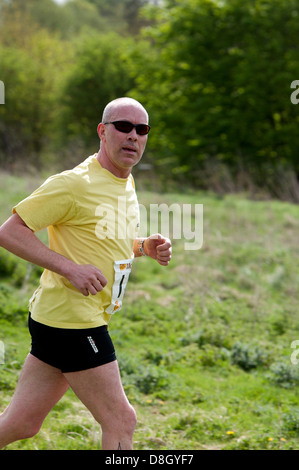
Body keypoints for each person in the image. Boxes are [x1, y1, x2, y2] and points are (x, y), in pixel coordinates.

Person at [0, 97, 172, 450]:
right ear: (102, 131)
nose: (133, 136)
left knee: (22, 424)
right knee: (121, 420)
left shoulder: (126, 181)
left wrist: (142, 247)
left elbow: (103, 239)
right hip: (74, 322)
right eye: (123, 126)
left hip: (60, 317)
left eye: (142, 130)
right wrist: (69, 268)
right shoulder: (72, 184)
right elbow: (9, 231)